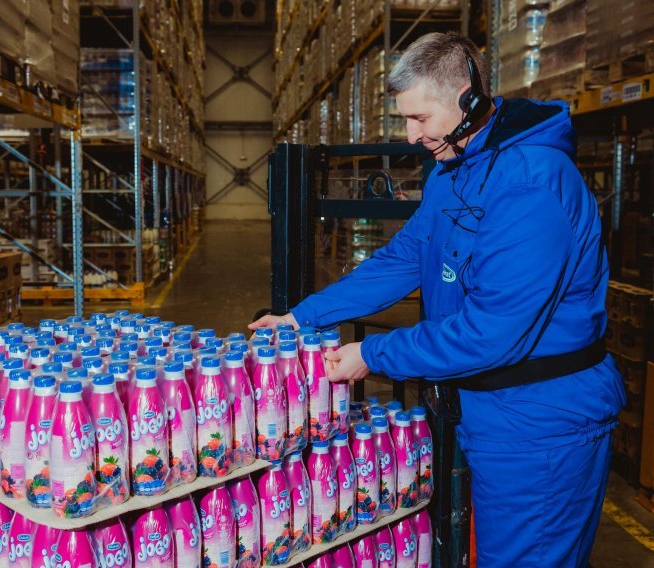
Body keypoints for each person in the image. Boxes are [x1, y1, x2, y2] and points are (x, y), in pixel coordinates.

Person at [251, 32, 624, 567]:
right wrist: (301, 316)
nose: (410, 136)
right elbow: (402, 259)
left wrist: (371, 356)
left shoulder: (531, 186)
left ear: (467, 99)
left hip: (542, 421)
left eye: (420, 119)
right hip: (492, 410)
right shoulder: (458, 170)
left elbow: (490, 332)